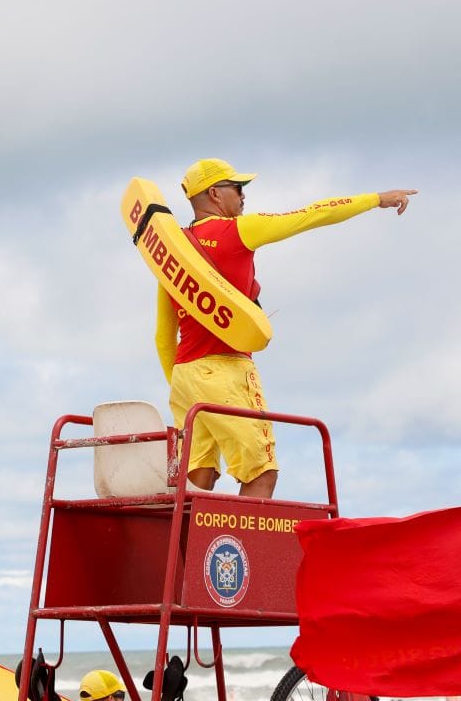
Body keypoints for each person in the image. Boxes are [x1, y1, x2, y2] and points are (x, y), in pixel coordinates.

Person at [155, 158, 416, 498]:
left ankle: (179, 537)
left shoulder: (175, 254)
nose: (243, 196)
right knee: (261, 473)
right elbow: (311, 215)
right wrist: (376, 199)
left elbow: (163, 337)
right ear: (215, 194)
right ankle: (243, 537)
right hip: (227, 371)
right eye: (238, 188)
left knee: (197, 477)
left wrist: (183, 385)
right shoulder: (238, 231)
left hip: (184, 376)